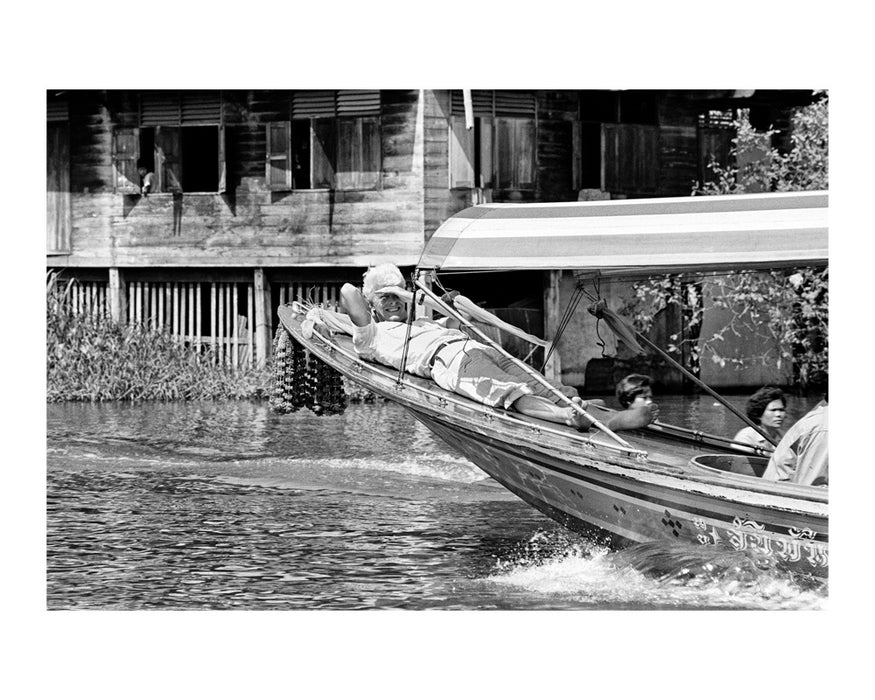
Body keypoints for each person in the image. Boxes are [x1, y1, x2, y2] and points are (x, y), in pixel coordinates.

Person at [327, 264, 656, 433]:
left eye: (396, 293)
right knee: (508, 392)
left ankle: (613, 417)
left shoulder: (425, 322)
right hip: (452, 364)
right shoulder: (371, 335)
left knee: (554, 388)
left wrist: (406, 294)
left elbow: (447, 308)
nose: (392, 301)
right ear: (372, 303)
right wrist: (383, 287)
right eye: (384, 297)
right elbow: (347, 292)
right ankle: (566, 418)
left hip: (479, 350)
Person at [761, 398, 828, 486]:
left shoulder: (819, 420)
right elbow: (812, 485)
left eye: (781, 410)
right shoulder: (823, 426)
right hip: (780, 490)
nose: (778, 415)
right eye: (773, 410)